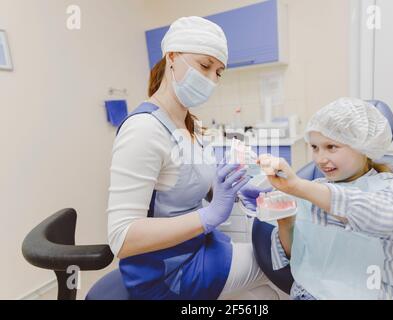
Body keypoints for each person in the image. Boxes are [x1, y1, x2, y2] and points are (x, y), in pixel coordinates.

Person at [106, 16, 271, 300]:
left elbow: (186, 182)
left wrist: (231, 189)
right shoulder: (144, 130)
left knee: (270, 265)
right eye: (204, 65)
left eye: (218, 72)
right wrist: (208, 215)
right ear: (172, 57)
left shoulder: (187, 122)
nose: (211, 79)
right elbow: (121, 238)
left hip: (199, 247)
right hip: (168, 271)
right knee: (275, 265)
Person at [244, 97, 393, 300]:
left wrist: (299, 187)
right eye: (314, 147)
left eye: (331, 147)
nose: (320, 158)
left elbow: (384, 218)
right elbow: (297, 257)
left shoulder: (389, 186)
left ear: (363, 146)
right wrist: (286, 221)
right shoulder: (316, 189)